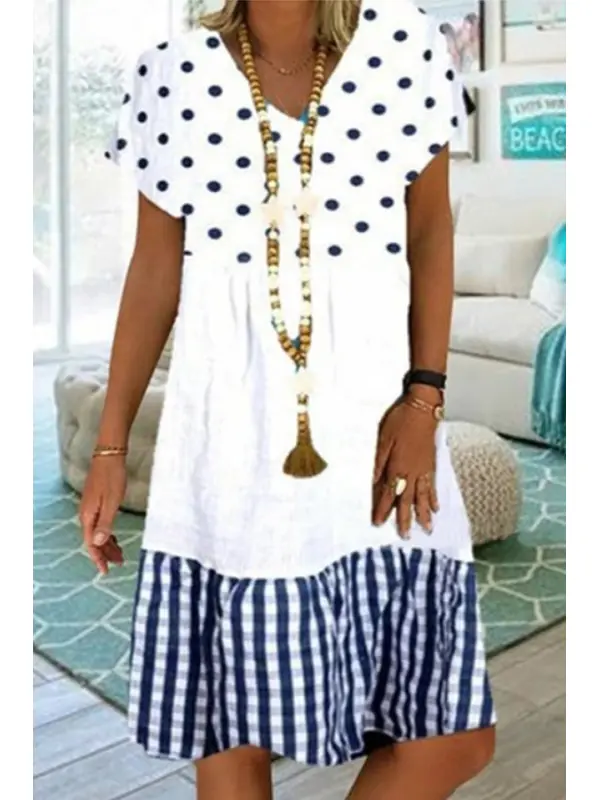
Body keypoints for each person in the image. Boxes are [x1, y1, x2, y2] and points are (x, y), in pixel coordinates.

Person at [80, 1, 496, 798]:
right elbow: (154, 270)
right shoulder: (173, 73)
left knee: (452, 736)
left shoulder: (407, 45)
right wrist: (109, 445)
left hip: (379, 430)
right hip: (227, 439)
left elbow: (431, 233)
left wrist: (425, 399)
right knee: (231, 728)